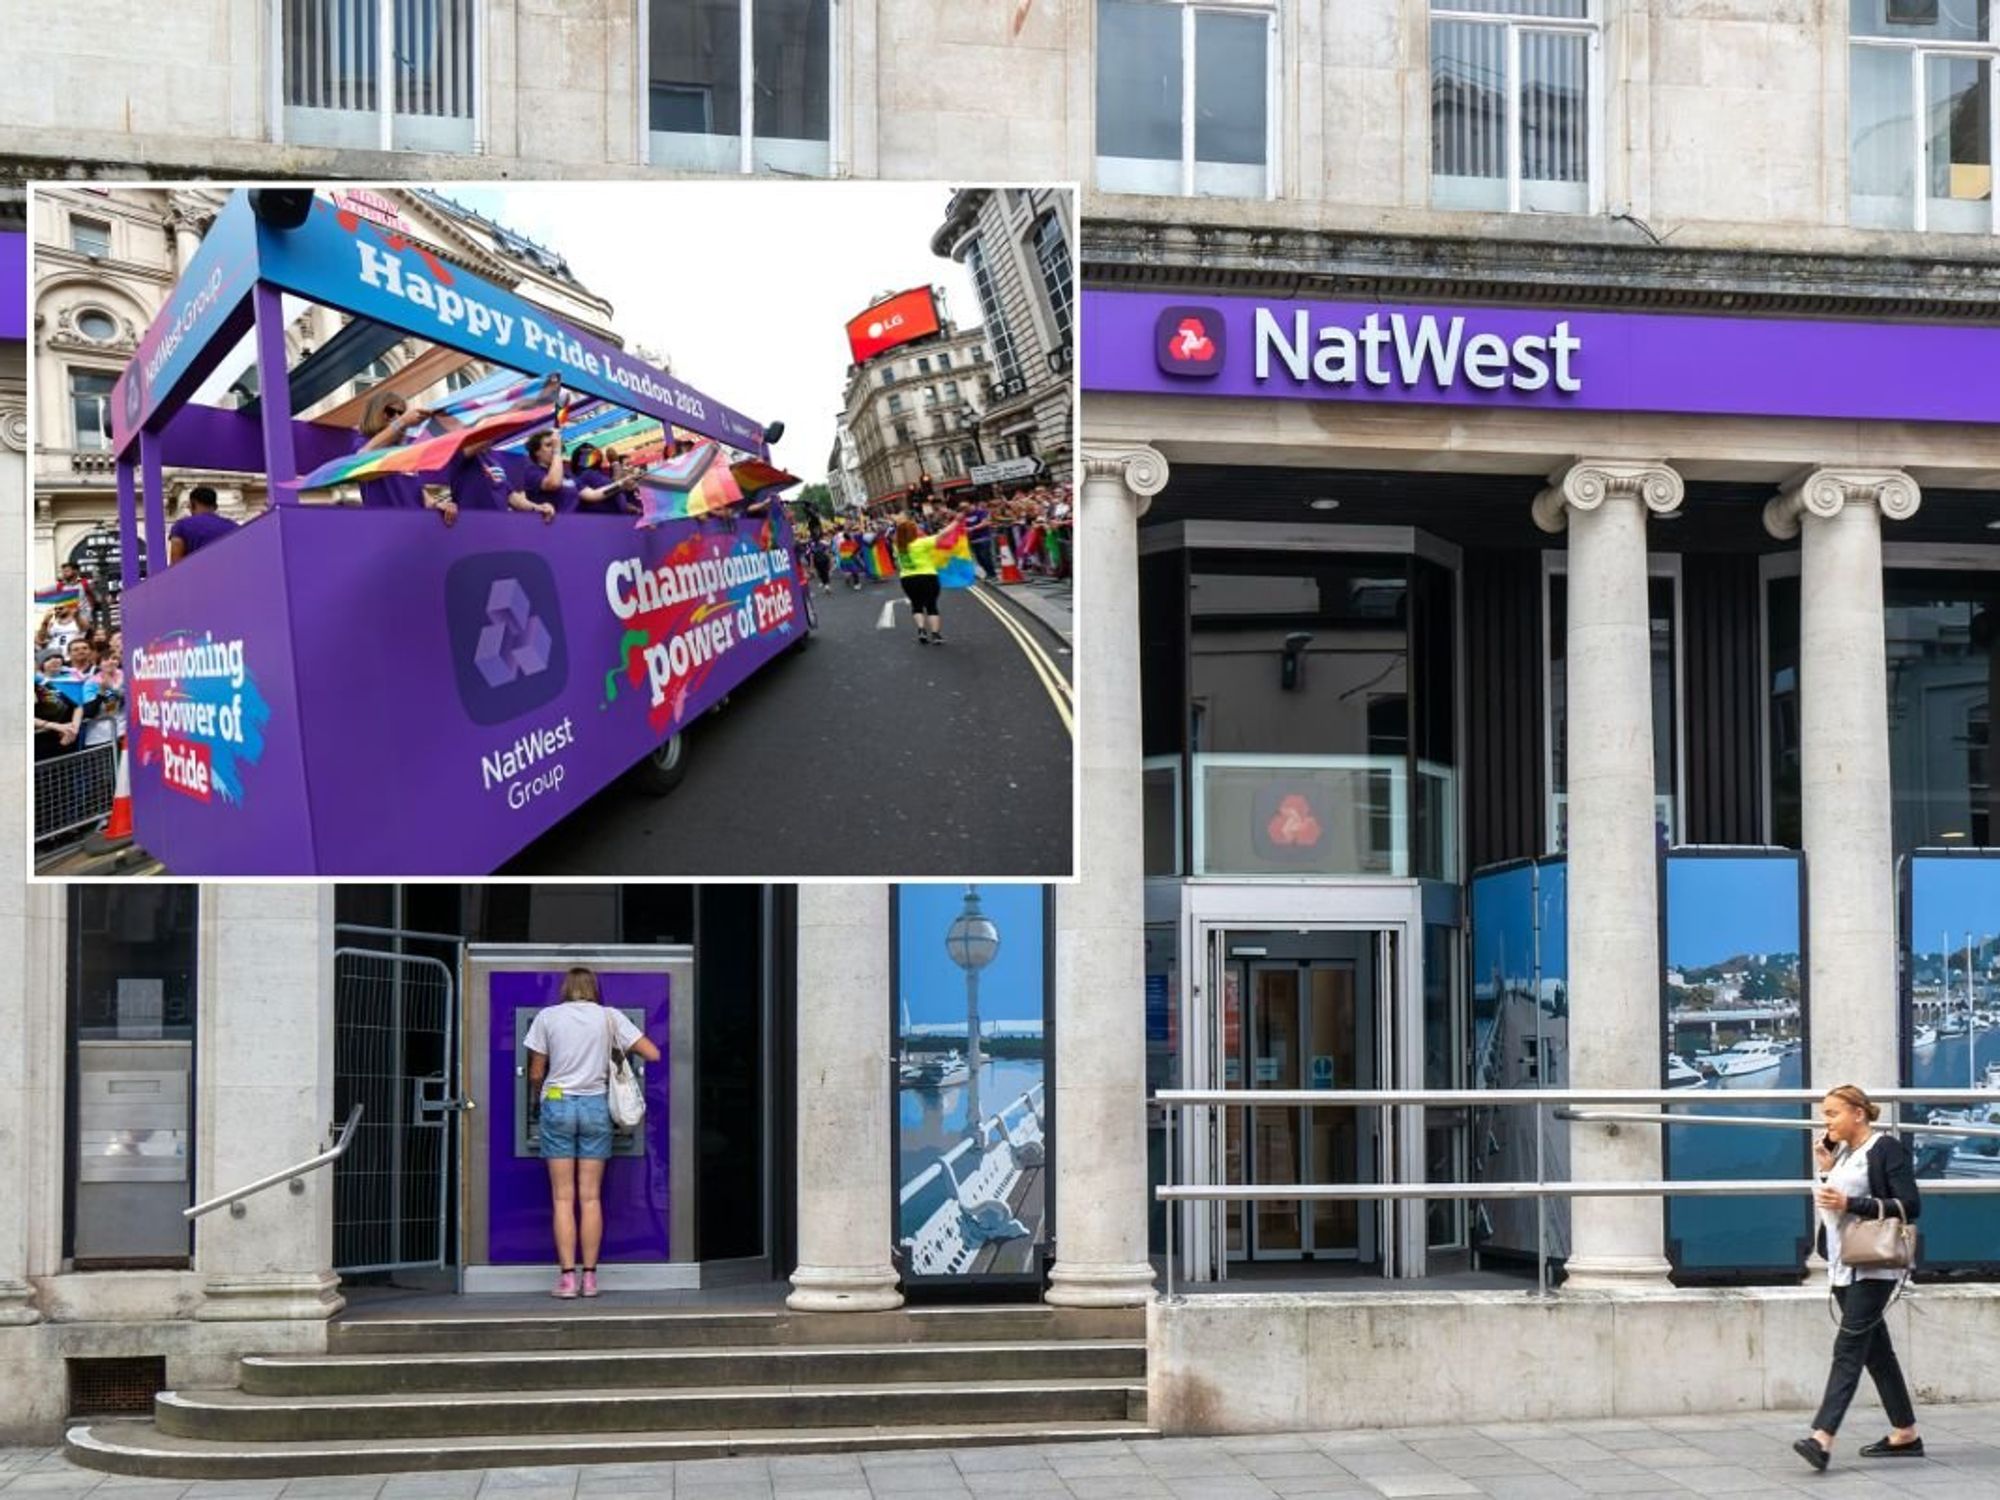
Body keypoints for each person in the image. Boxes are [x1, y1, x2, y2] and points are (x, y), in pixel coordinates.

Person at [1794, 1083, 1923, 1472]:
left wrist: (1852, 1202)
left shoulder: (1885, 1149)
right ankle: (1905, 1433)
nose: (1827, 1121)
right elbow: (1833, 1210)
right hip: (1843, 1264)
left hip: (1874, 1266)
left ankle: (1822, 1438)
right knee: (1876, 1352)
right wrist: (1826, 1170)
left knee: (1848, 1349)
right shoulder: (1845, 1154)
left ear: (1858, 1113)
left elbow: (1910, 1204)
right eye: (1825, 1114)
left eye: (1833, 1113)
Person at [523, 967, 662, 1299]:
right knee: (590, 1197)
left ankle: (567, 1281)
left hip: (557, 1105)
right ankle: (589, 1280)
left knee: (562, 1198)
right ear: (594, 989)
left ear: (565, 988)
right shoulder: (610, 1017)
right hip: (596, 1106)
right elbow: (653, 1053)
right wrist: (615, 1054)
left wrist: (543, 1095)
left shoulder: (547, 1017)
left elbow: (536, 1073)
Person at [354, 389, 461, 523]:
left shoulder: (408, 447)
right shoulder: (363, 442)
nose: (397, 417)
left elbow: (416, 489)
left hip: (414, 524)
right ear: (374, 413)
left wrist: (438, 504)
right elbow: (361, 459)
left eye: (401, 413)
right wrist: (403, 422)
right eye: (390, 412)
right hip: (385, 524)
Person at [445, 438, 555, 522]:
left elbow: (511, 496)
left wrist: (537, 508)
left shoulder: (494, 461)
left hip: (500, 526)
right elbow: (485, 436)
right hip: (471, 526)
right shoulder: (458, 455)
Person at [893, 517, 945, 645]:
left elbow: (898, 563)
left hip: (907, 578)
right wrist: (957, 522)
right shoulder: (922, 543)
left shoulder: (898, 546)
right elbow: (943, 535)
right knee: (931, 605)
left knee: (916, 605)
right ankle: (935, 635)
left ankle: (921, 630)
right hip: (927, 576)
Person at [168, 486, 239, 563]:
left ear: (192, 505)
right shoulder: (234, 527)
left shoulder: (181, 526)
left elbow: (176, 562)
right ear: (215, 507)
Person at [570, 443, 641, 516]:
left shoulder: (597, 474)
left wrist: (628, 506)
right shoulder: (584, 475)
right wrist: (615, 464)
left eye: (594, 454)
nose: (590, 458)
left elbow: (613, 491)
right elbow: (599, 494)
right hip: (606, 519)